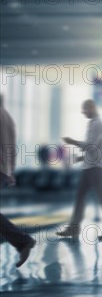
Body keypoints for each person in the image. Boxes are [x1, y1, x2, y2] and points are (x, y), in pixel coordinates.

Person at [57, 99, 102, 240]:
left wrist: (72, 142)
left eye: (84, 110)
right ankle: (74, 228)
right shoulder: (93, 123)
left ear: (92, 107)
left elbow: (92, 147)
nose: (83, 113)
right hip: (89, 167)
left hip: (95, 169)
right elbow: (92, 150)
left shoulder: (98, 124)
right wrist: (79, 159)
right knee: (80, 197)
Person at [0, 94, 36, 267]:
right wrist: (10, 171)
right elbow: (12, 148)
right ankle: (22, 242)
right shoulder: (8, 118)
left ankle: (22, 241)